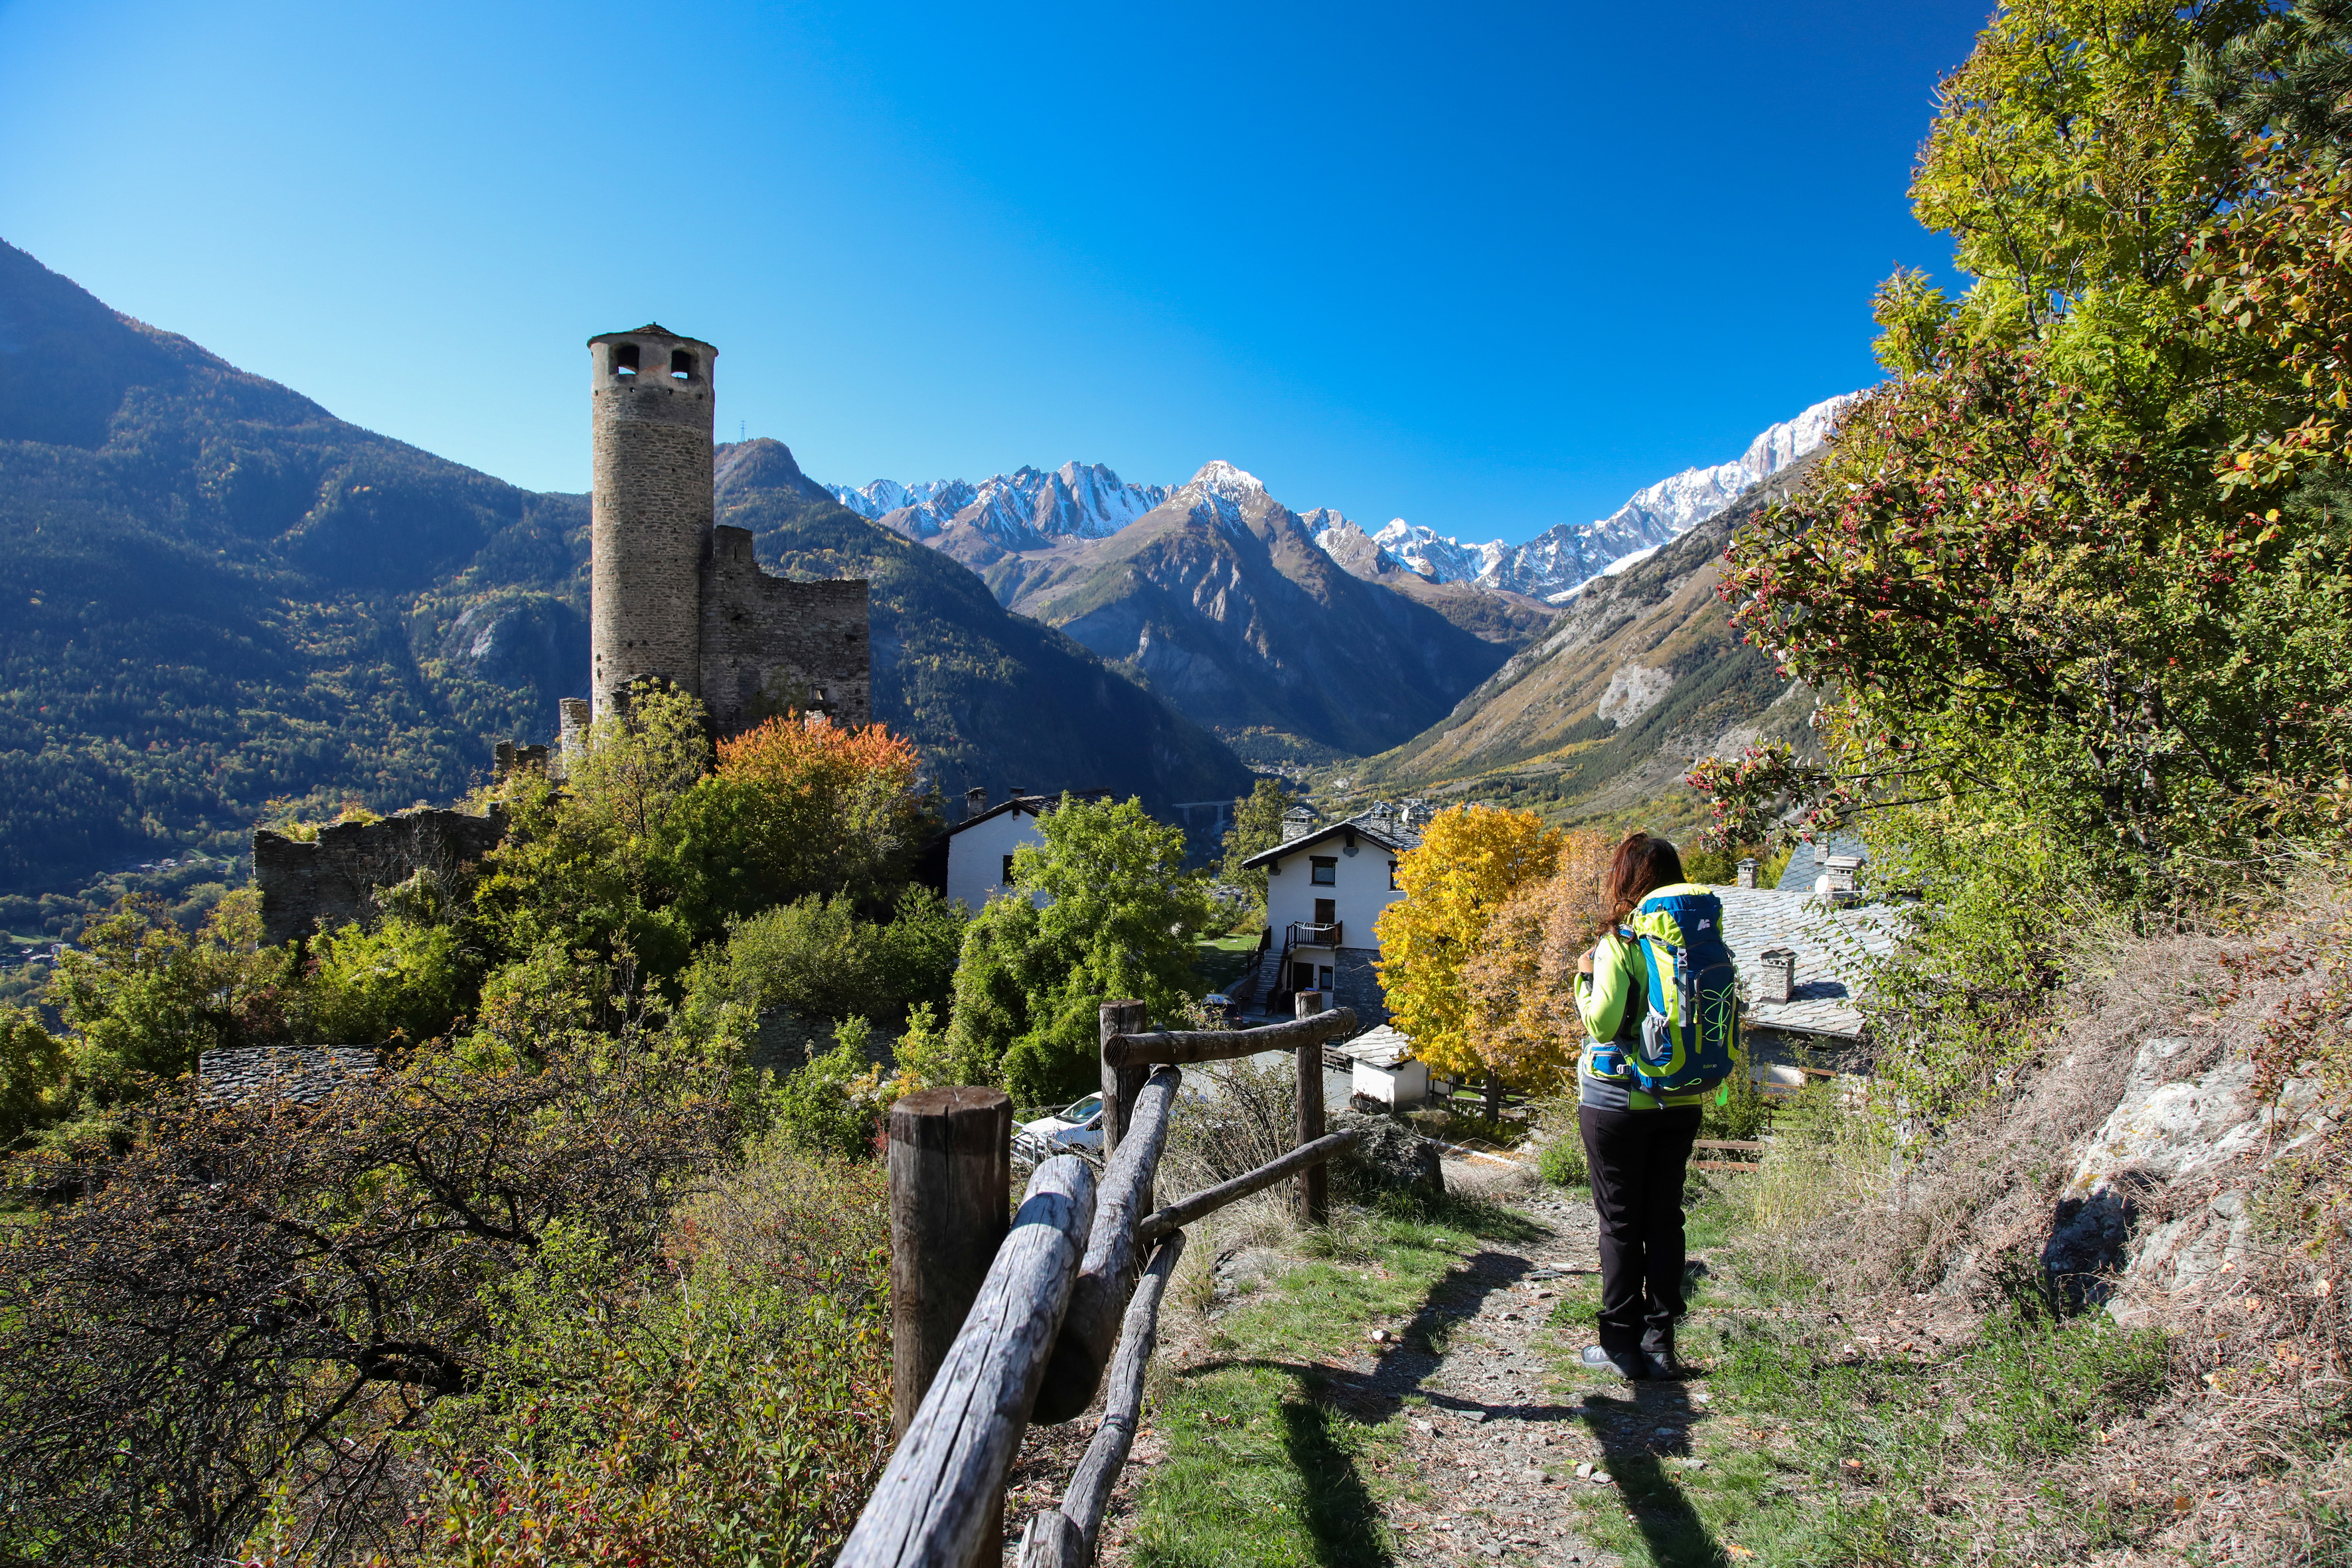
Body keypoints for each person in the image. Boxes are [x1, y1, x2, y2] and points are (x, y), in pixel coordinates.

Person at [1571, 832, 1711, 1380]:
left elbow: (1602, 1023)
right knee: (1664, 1218)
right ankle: (1661, 1343)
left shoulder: (1621, 943)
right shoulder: (1698, 944)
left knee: (1621, 1223)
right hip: (1680, 1097)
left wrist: (1583, 982)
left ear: (1623, 881)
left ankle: (1619, 1346)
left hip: (1617, 1102)